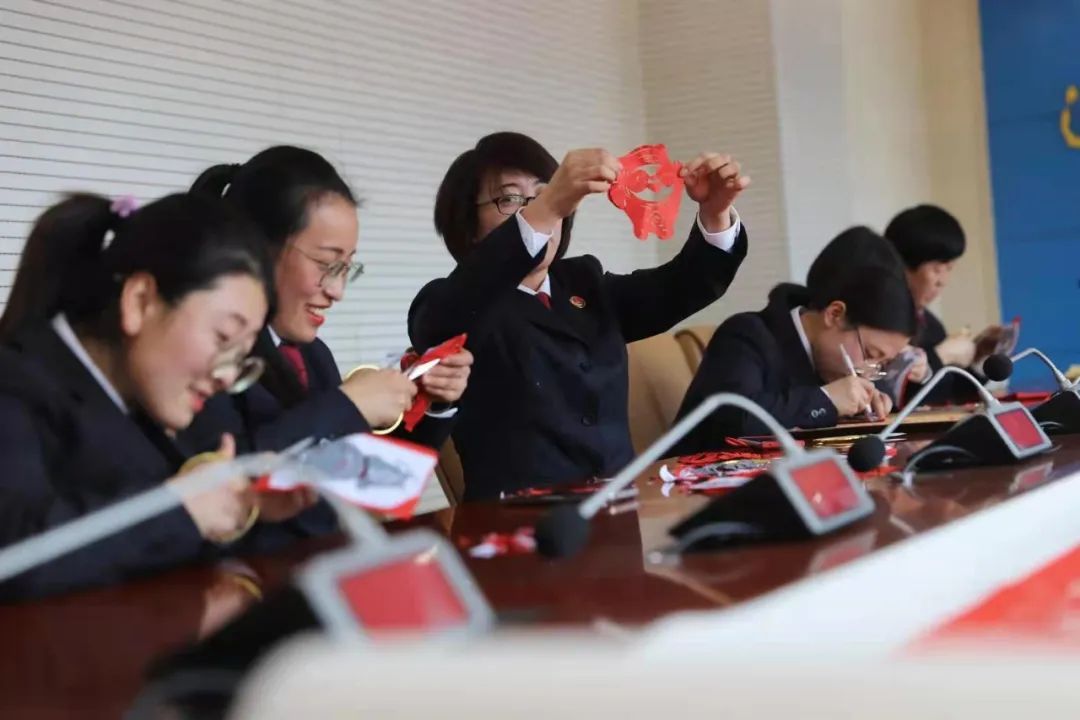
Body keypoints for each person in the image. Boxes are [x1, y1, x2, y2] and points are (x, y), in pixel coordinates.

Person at [409, 132, 750, 500]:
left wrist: (715, 212)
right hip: (520, 523)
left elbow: (682, 285)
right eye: (509, 199)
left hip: (619, 510)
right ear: (468, 223)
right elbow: (448, 315)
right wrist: (548, 203)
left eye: (543, 195)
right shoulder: (448, 302)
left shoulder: (585, 283)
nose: (539, 212)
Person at [0, 192, 307, 599]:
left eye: (240, 356)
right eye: (223, 338)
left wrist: (241, 507)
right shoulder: (14, 385)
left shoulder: (153, 393)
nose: (228, 376)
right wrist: (182, 509)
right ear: (140, 301)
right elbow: (17, 554)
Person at [182, 146, 472, 458]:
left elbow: (363, 468)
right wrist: (348, 405)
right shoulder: (198, 352)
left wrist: (430, 400)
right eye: (325, 264)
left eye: (345, 268)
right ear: (255, 249)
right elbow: (216, 471)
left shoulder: (315, 357)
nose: (337, 291)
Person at [673, 226, 917, 454]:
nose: (869, 369)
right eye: (871, 355)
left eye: (883, 363)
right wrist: (827, 400)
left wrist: (868, 404)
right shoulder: (747, 334)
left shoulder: (830, 363)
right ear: (834, 314)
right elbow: (736, 420)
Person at [885, 204, 1006, 404]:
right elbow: (894, 396)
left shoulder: (931, 324)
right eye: (936, 269)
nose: (943, 281)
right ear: (902, 265)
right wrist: (943, 354)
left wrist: (979, 360)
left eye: (949, 268)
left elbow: (950, 391)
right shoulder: (880, 323)